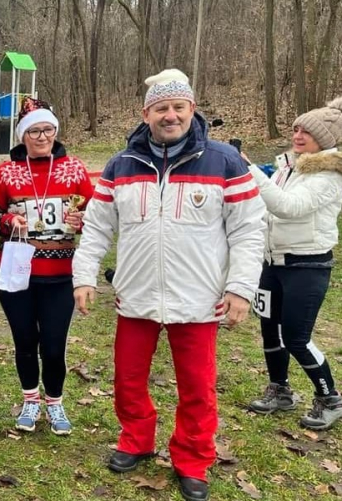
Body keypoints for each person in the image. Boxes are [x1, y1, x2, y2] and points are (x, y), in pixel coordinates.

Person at [72, 69, 265, 501]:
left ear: (192, 109)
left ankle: (193, 459)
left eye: (178, 107)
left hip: (198, 300)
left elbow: (250, 230)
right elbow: (98, 227)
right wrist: (84, 276)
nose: (170, 115)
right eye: (161, 108)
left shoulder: (224, 161)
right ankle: (136, 440)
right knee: (128, 379)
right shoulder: (122, 164)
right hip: (136, 296)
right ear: (146, 114)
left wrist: (240, 288)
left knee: (197, 387)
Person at [0, 97, 95, 435]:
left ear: (55, 131)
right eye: (34, 131)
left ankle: (55, 403)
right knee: (25, 342)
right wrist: (6, 222)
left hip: (60, 276)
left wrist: (82, 219)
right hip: (18, 274)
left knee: (54, 345)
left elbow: (98, 217)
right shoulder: (7, 172)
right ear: (22, 136)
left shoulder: (74, 168)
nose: (42, 137)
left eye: (47, 130)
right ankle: (30, 400)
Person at [242, 96, 342, 430]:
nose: (298, 135)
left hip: (308, 266)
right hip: (273, 263)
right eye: (296, 129)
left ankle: (331, 398)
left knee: (296, 336)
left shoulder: (331, 174)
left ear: (325, 138)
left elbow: (289, 207)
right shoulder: (288, 168)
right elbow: (267, 209)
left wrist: (249, 172)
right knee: (269, 328)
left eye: (307, 131)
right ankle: (280, 390)